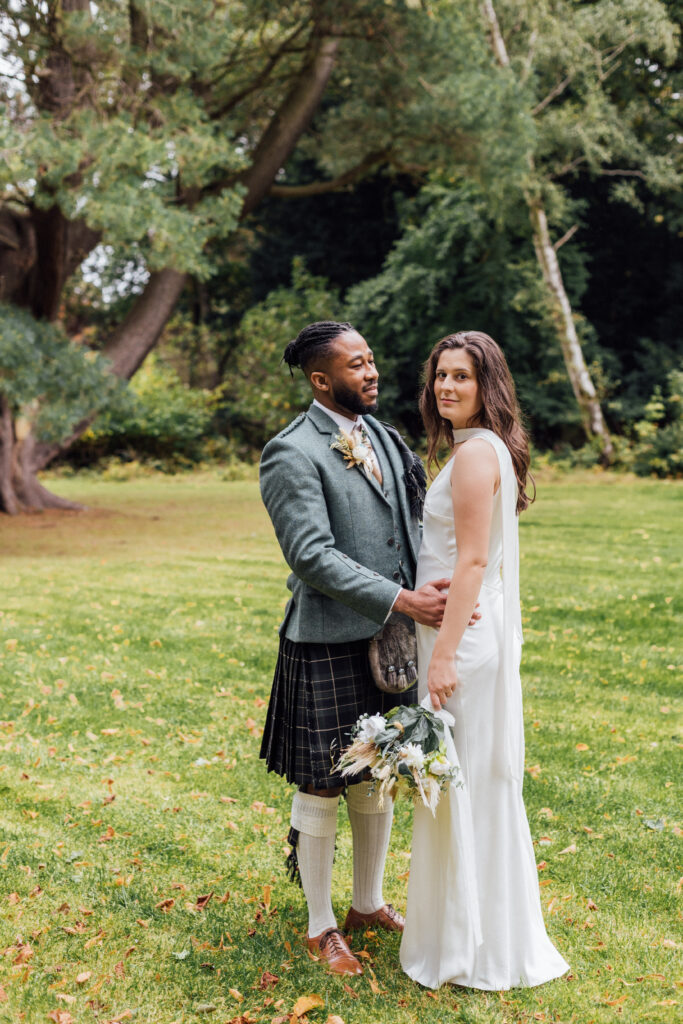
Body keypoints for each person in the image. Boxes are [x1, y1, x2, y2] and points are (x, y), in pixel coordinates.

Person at [259, 320, 453, 976]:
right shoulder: (291, 452)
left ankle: (365, 904)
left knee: (381, 770)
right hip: (326, 639)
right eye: (355, 364)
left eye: (371, 359)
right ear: (321, 380)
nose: (370, 372)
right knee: (322, 782)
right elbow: (311, 556)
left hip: (392, 640)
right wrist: (403, 601)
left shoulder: (388, 439)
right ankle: (319, 926)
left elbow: (419, 523)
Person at [400, 331, 569, 990]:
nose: (446, 387)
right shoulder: (481, 448)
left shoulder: (473, 458)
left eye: (460, 377)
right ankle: (476, 934)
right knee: (469, 786)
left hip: (460, 643)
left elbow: (471, 559)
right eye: (440, 375)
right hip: (470, 629)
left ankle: (469, 948)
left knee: (460, 788)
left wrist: (441, 657)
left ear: (485, 385)